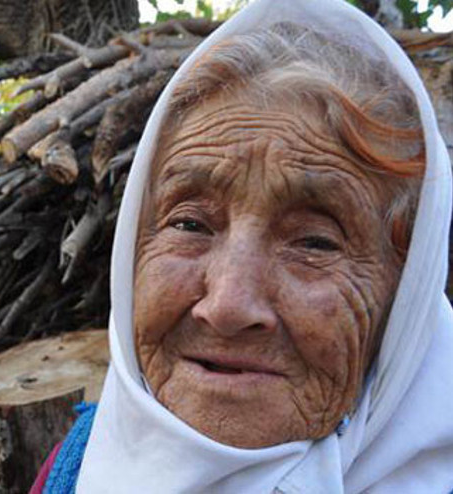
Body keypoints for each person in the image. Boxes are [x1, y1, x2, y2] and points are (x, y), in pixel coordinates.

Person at [32, 0, 453, 492]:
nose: (228, 306)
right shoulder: (77, 464)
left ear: (405, 293)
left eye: (315, 242)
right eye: (189, 225)